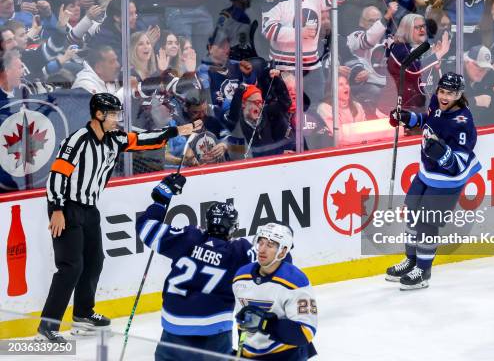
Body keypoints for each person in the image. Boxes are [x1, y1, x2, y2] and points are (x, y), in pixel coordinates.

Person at [38, 93, 202, 342]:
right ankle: (48, 325)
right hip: (66, 207)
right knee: (71, 267)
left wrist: (177, 131)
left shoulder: (115, 139)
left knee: (94, 261)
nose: (117, 119)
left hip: (89, 208)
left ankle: (83, 313)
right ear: (99, 115)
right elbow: (57, 175)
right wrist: (58, 209)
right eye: (113, 114)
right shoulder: (78, 141)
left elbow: (144, 139)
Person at [135, 173, 259, 359]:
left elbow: (146, 228)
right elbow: (273, 261)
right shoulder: (239, 250)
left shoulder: (188, 237)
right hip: (215, 330)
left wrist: (160, 202)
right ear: (233, 227)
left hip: (173, 325)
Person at [386, 72, 481, 290]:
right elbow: (425, 121)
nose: (444, 97)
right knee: (412, 213)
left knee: (427, 223)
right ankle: (411, 261)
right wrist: (407, 117)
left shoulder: (463, 123)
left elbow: (458, 164)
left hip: (446, 182)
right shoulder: (435, 103)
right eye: (442, 91)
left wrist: (443, 154)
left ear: (459, 95)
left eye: (450, 93)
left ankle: (423, 270)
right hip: (425, 173)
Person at [261, 0, 350, 107]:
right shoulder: (275, 1)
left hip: (313, 70)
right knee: (289, 108)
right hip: (285, 69)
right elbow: (269, 30)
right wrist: (299, 32)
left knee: (315, 109)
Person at [233, 222, 318, 360]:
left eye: (270, 245)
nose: (262, 249)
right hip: (250, 354)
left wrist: (266, 323)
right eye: (261, 243)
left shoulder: (296, 282)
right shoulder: (241, 276)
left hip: (286, 356)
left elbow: (305, 332)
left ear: (283, 251)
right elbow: (243, 323)